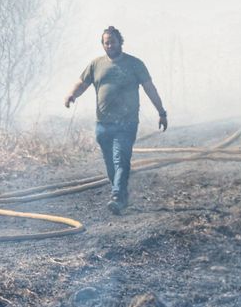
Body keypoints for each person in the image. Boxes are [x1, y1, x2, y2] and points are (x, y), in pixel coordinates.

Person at [64, 26, 168, 215]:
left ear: (120, 42)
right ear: (103, 45)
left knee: (121, 159)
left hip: (126, 124)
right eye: (106, 42)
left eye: (112, 41)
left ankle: (117, 197)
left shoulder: (135, 64)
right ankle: (121, 195)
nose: (110, 45)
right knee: (110, 163)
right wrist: (72, 95)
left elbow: (149, 88)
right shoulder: (96, 64)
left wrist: (161, 112)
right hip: (103, 124)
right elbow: (82, 83)